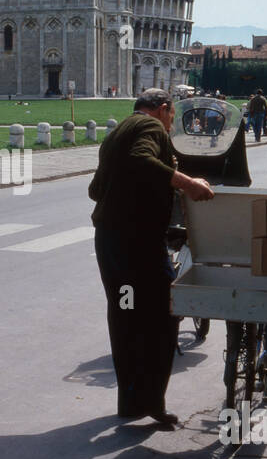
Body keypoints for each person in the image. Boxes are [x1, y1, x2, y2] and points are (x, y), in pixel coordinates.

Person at [88, 88, 215, 430]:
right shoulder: (151, 128)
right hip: (138, 242)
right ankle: (152, 401)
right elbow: (141, 161)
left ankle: (131, 401)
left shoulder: (118, 130)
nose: (171, 124)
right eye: (172, 117)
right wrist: (186, 182)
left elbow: (96, 190)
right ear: (163, 109)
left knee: (125, 315)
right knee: (165, 313)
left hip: (111, 240)